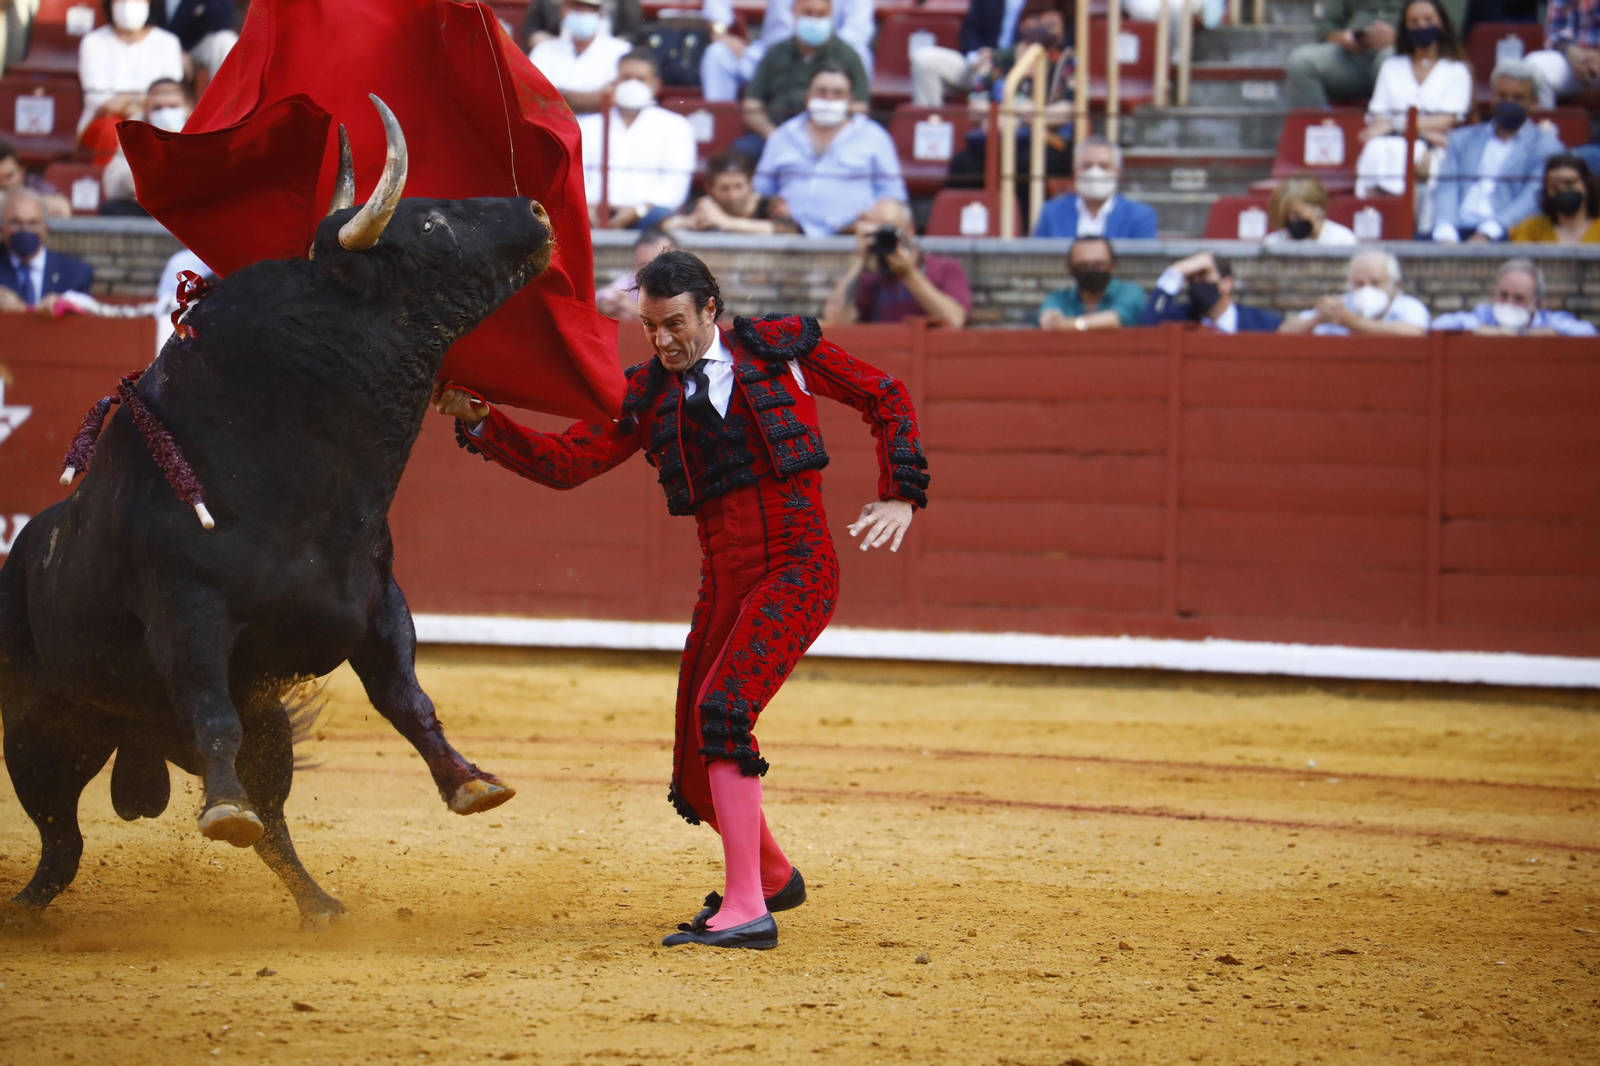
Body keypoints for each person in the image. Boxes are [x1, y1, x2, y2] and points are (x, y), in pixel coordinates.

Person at [433, 250, 928, 951]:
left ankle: (748, 910)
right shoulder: (645, 394)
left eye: (673, 324)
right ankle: (775, 875)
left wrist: (900, 489)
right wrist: (485, 420)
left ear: (710, 312)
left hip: (797, 566)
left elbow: (885, 395)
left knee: (724, 714)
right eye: (648, 326)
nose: (661, 340)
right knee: (696, 771)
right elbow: (569, 463)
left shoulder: (777, 350)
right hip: (724, 583)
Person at [752, 64, 908, 236]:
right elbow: (761, 189)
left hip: (853, 238)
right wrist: (773, 204)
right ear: (807, 97)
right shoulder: (782, 136)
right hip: (789, 235)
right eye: (821, 92)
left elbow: (893, 194)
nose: (828, 99)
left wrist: (871, 217)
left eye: (838, 93)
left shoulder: (875, 136)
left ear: (851, 100)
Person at [1431, 60, 1564, 243]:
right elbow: (1447, 186)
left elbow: (1532, 198)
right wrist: (1445, 230)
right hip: (1454, 231)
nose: (1508, 102)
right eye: (1502, 96)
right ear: (1492, 97)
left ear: (1533, 103)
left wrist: (1488, 233)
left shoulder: (1547, 147)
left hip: (1506, 233)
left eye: (1517, 98)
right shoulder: (1462, 139)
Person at [1353, 0, 1473, 199]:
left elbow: (1446, 121)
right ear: (1406, 28)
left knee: (1418, 158)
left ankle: (1411, 227)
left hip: (1435, 146)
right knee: (1374, 151)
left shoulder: (1457, 70)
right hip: (1390, 141)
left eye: (1428, 20)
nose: (1422, 26)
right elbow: (1378, 118)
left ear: (1441, 23)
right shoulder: (1391, 66)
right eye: (1414, 22)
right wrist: (1412, 128)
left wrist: (1397, 125)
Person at [578, 49, 696, 230]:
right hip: (592, 213)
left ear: (656, 85)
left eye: (640, 79)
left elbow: (675, 184)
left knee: (660, 216)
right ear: (615, 82)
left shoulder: (676, 126)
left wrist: (639, 210)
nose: (632, 85)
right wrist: (589, 207)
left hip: (646, 216)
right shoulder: (587, 125)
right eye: (626, 78)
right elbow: (578, 175)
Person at [739, 0, 869, 150]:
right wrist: (773, 136)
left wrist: (831, 137)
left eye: (821, 14)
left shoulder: (848, 55)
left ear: (831, 14)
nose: (814, 20)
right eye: (808, 13)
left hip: (833, 139)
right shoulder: (775, 52)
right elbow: (752, 105)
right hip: (777, 134)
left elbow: (860, 107)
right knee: (742, 152)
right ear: (794, 12)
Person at [822, 200, 971, 328]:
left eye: (890, 231)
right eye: (878, 233)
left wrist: (909, 274)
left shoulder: (944, 269)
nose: (884, 239)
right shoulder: (872, 280)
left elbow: (955, 319)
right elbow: (835, 321)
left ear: (910, 229)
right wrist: (860, 257)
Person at [702, 0, 874, 103]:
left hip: (831, 57)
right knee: (718, 54)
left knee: (862, 56)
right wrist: (720, 30)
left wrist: (815, 50)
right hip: (770, 55)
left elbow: (857, 30)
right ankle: (719, 132)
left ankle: (851, 139)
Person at [77, 0, 186, 136]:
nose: (129, 3)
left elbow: (169, 93)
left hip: (154, 119)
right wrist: (139, 102)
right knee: (111, 131)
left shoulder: (168, 42)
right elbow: (97, 97)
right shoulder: (93, 42)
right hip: (106, 119)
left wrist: (132, 103)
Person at [1431, 257, 1598, 335]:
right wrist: (1487, 331)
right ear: (1494, 293)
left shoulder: (1549, 320)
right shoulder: (1484, 315)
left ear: (1537, 303)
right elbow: (1437, 325)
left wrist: (1529, 334)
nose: (1508, 303)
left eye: (1519, 299)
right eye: (1503, 295)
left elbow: (1588, 332)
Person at [1279, 249, 1430, 335]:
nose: (1366, 289)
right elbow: (1284, 332)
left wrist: (1352, 322)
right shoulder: (1343, 305)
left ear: (1395, 285)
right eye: (1359, 284)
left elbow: (1415, 334)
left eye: (1375, 283)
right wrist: (1318, 319)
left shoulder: (1409, 306)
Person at [1032, 137, 1159, 240]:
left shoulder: (1140, 216)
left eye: (1104, 166)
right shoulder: (1052, 212)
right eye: (1087, 165)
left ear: (1118, 172)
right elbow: (1038, 262)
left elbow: (1140, 266)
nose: (1094, 172)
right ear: (1075, 171)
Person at [910, 0, 1033, 107]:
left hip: (1021, 70)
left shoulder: (1044, 4)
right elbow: (969, 32)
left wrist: (999, 58)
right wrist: (976, 56)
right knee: (924, 59)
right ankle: (932, 125)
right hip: (981, 63)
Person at [1285, 0, 1402, 108]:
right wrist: (1343, 38)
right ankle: (1315, 127)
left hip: (1401, 54)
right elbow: (1326, 25)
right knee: (1301, 62)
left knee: (1389, 61)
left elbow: (1420, 25)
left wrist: (1398, 39)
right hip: (1352, 57)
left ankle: (1396, 127)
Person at [529, 0, 633, 115]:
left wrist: (559, 97)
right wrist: (594, 99)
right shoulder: (543, 50)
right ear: (562, 11)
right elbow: (534, 96)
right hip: (552, 128)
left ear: (601, 14)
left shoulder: (621, 51)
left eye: (589, 9)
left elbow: (617, 96)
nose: (582, 13)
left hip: (602, 130)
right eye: (575, 7)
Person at [661, 150, 800, 235]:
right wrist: (688, 222)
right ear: (710, 188)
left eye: (738, 187)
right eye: (724, 188)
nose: (732, 195)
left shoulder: (771, 205)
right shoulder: (705, 206)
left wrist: (726, 222)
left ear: (750, 184)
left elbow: (788, 229)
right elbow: (663, 225)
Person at [0, 189, 94, 313]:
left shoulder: (75, 273)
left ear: (46, 229)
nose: (25, 230)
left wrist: (23, 310)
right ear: (1, 228)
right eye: (15, 222)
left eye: (33, 223)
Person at [1140, 252, 1282, 332]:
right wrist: (1175, 272)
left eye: (1203, 277)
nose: (1197, 285)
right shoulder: (1178, 316)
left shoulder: (1261, 322)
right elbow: (1146, 328)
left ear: (1227, 283)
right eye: (1191, 280)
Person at [1037, 237, 1145, 330]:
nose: (1091, 270)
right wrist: (1050, 320)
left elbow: (1117, 319)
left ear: (1113, 266)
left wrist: (1072, 324)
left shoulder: (1130, 292)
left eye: (1098, 265)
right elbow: (1047, 319)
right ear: (1070, 267)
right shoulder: (1059, 298)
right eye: (1083, 266)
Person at [1510, 153, 1600, 243]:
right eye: (1554, 186)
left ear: (1586, 185)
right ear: (1547, 190)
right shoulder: (1529, 229)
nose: (1562, 190)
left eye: (1569, 183)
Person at [1526, 0, 1600, 105]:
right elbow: (1556, 31)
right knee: (1534, 67)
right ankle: (1546, 121)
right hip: (1580, 60)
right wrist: (1572, 52)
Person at [595, 228, 674, 319]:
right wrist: (605, 303)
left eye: (658, 265)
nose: (650, 273)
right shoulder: (633, 282)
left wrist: (638, 314)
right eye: (643, 267)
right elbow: (605, 295)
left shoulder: (685, 286)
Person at [148, 0, 237, 77]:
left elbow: (224, 21)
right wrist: (175, 50)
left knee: (225, 40)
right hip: (152, 44)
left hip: (192, 46)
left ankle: (225, 95)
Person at [1264, 176, 1359, 245]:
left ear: (1318, 209)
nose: (1292, 221)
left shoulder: (1343, 242)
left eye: (1297, 215)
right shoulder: (1272, 244)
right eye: (1286, 216)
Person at [519, 0, 642, 51]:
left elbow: (633, 31)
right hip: (558, 50)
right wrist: (537, 37)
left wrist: (611, 48)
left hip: (607, 55)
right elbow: (531, 28)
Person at [0, 140, 71, 219]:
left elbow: (62, 208)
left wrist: (7, 201)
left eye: (9, 176)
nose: (3, 183)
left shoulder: (35, 184)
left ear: (22, 172)